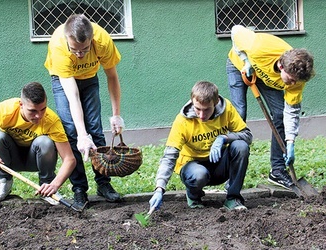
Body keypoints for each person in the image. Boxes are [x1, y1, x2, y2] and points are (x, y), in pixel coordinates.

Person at [44, 14, 124, 210]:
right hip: (63, 81)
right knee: (71, 131)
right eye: (75, 50)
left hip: (89, 78)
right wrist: (81, 135)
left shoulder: (102, 40)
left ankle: (103, 184)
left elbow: (112, 76)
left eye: (85, 49)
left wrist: (116, 114)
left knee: (95, 129)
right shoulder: (58, 46)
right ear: (67, 40)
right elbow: (73, 97)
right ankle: (79, 188)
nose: (80, 55)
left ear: (92, 40)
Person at [0, 82, 76, 205]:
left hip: (35, 159)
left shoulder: (51, 120)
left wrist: (55, 184)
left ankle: (46, 187)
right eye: (32, 111)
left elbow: (69, 159)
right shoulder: (6, 110)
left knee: (45, 142)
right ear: (21, 104)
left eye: (43, 109)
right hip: (7, 160)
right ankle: (4, 181)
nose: (38, 115)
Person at [226, 25, 315, 189]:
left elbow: (291, 112)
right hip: (239, 65)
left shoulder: (296, 81)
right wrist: (246, 60)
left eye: (297, 81)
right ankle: (231, 175)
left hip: (265, 76)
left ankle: (278, 171)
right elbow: (236, 30)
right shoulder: (258, 47)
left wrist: (290, 142)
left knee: (280, 114)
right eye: (291, 79)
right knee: (239, 115)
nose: (293, 84)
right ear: (282, 66)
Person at [149, 81, 253, 212]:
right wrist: (159, 188)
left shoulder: (227, 109)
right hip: (193, 168)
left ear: (215, 103)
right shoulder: (183, 121)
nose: (202, 115)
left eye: (207, 110)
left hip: (218, 163)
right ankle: (194, 195)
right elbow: (169, 156)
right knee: (199, 175)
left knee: (241, 146)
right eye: (197, 109)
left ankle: (233, 198)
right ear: (192, 102)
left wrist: (224, 138)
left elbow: (247, 135)